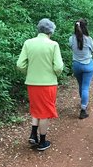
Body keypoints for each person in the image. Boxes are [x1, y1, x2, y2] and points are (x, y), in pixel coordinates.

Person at [17, 18, 64, 151]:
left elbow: (20, 64)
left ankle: (33, 134)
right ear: (51, 31)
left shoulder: (28, 43)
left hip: (32, 83)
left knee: (35, 108)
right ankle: (42, 142)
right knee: (45, 112)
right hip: (48, 84)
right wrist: (55, 73)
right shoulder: (53, 45)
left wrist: (29, 72)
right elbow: (59, 67)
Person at [69, 19, 93, 119]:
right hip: (88, 65)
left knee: (81, 85)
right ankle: (83, 109)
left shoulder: (71, 38)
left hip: (76, 65)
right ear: (85, 27)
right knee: (85, 87)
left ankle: (83, 102)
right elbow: (92, 49)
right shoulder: (89, 39)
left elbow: (71, 47)